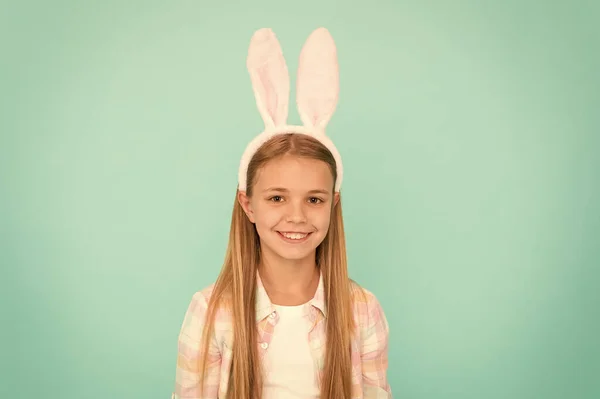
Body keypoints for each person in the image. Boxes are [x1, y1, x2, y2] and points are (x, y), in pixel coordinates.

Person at [172, 27, 391, 399]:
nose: (296, 216)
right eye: (277, 198)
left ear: (333, 204)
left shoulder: (362, 311)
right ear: (247, 204)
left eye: (314, 199)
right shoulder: (210, 312)